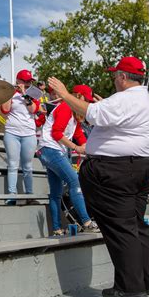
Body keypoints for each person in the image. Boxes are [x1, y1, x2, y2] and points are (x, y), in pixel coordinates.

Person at [49, 56, 149, 297]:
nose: (113, 78)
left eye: (115, 75)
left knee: (122, 228)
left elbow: (93, 114)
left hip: (119, 170)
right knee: (136, 224)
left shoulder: (126, 98)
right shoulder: (142, 98)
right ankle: (146, 281)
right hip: (142, 167)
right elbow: (106, 117)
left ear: (122, 76)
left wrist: (65, 94)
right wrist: (105, 106)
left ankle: (131, 287)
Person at [38, 84, 99, 235]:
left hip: (53, 150)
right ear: (79, 96)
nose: (88, 103)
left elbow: (78, 133)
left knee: (56, 192)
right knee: (74, 181)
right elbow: (57, 133)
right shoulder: (65, 107)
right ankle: (86, 222)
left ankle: (57, 229)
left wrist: (85, 145)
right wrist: (77, 148)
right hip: (50, 149)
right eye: (87, 99)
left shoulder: (73, 112)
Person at [0, 69, 40, 205]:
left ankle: (29, 194)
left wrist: (24, 93)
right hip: (12, 132)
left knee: (28, 166)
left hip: (29, 133)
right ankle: (12, 195)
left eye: (30, 82)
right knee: (12, 164)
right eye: (26, 82)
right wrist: (11, 93)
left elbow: (33, 109)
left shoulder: (34, 94)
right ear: (19, 81)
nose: (29, 84)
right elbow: (5, 110)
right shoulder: (10, 93)